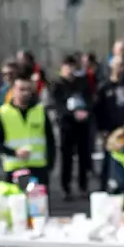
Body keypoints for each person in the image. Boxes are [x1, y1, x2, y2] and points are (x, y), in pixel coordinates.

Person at [0, 74, 55, 184]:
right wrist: (14, 153)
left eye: (28, 89)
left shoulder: (40, 111)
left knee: (39, 200)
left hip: (38, 167)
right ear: (13, 91)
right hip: (14, 167)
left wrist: (50, 165)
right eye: (21, 89)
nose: (25, 93)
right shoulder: (3, 113)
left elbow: (50, 140)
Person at [51, 55, 93, 199]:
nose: (69, 70)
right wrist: (71, 113)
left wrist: (85, 111)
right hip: (66, 125)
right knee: (66, 158)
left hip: (82, 125)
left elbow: (89, 99)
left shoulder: (81, 83)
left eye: (72, 66)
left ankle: (83, 186)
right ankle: (65, 187)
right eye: (67, 66)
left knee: (83, 157)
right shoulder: (57, 85)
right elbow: (57, 105)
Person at [96, 57, 124, 139]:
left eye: (122, 65)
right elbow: (99, 109)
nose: (120, 68)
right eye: (117, 65)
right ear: (111, 67)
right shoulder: (104, 87)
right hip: (109, 128)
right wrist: (102, 128)